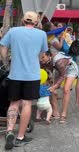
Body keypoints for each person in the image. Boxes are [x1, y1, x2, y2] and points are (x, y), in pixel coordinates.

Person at [0, 11, 48, 150]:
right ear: (36, 22)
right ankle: (20, 137)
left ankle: (9, 131)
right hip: (32, 75)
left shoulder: (13, 31)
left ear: (23, 20)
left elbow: (3, 47)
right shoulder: (41, 34)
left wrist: (6, 62)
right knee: (27, 104)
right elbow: (42, 55)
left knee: (14, 103)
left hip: (15, 74)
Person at [40, 50, 79, 123]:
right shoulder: (43, 61)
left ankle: (63, 114)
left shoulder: (59, 61)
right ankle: (55, 113)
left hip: (70, 69)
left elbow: (62, 75)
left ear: (49, 56)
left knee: (66, 89)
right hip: (58, 70)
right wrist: (51, 85)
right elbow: (45, 73)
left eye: (43, 57)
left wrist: (56, 86)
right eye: (40, 57)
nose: (41, 59)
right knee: (51, 88)